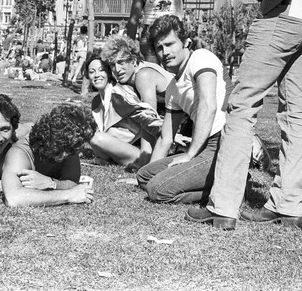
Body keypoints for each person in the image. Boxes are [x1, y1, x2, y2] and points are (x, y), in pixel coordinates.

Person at [186, 0, 302, 230]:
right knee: (297, 109)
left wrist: (265, 9)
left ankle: (222, 206)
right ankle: (287, 205)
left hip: (287, 10)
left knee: (242, 105)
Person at [135, 14, 233, 206]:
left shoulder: (200, 58)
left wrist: (190, 155)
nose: (165, 52)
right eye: (160, 48)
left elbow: (208, 105)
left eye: (170, 44)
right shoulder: (173, 87)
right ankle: (220, 179)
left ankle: (229, 184)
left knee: (157, 189)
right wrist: (152, 168)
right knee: (144, 176)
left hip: (223, 143)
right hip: (203, 146)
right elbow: (165, 138)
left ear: (186, 42)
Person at [100, 34, 179, 166]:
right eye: (112, 65)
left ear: (134, 60)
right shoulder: (132, 79)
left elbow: (149, 122)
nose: (117, 70)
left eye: (121, 62)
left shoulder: (143, 75)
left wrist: (144, 167)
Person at [2, 104, 96, 207]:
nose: (67, 155)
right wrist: (68, 195)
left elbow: (72, 182)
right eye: (65, 150)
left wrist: (51, 183)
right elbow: (14, 198)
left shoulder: (68, 145)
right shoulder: (20, 152)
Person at [85, 54, 162, 166]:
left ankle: (114, 160)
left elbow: (145, 114)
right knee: (95, 136)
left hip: (140, 150)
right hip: (121, 147)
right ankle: (110, 160)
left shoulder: (118, 93)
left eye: (101, 70)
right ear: (87, 75)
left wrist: (165, 131)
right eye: (92, 72)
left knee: (96, 138)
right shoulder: (97, 102)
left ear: (108, 73)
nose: (97, 75)